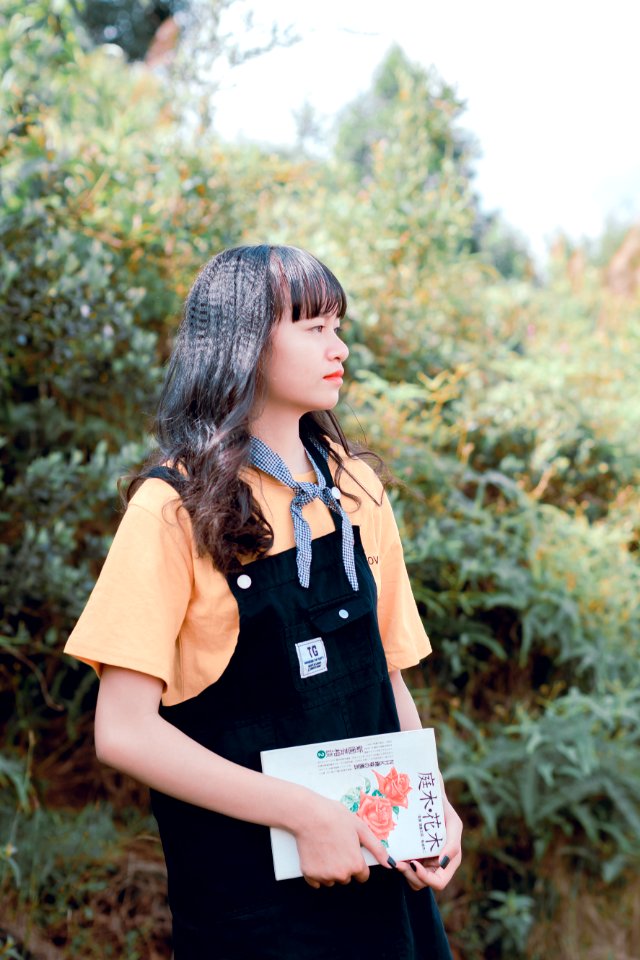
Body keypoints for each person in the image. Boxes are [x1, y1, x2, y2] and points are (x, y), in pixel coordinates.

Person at [64, 245, 462, 959]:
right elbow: (123, 731)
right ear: (243, 341)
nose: (338, 348)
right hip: (252, 911)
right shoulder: (174, 508)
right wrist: (302, 816)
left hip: (384, 883)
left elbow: (386, 676)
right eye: (312, 328)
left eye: (338, 326)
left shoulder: (356, 488)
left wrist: (429, 807)